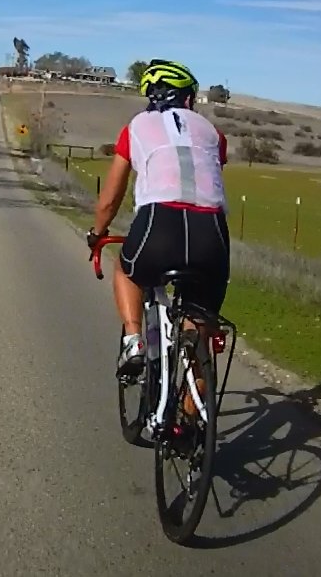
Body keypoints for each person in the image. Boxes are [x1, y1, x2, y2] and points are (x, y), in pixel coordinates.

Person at [86, 60, 231, 377]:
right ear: (188, 98)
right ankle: (196, 401)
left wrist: (97, 233)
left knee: (126, 269)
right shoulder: (213, 133)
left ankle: (134, 340)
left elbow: (109, 200)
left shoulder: (135, 127)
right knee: (199, 337)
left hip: (159, 223)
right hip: (212, 233)